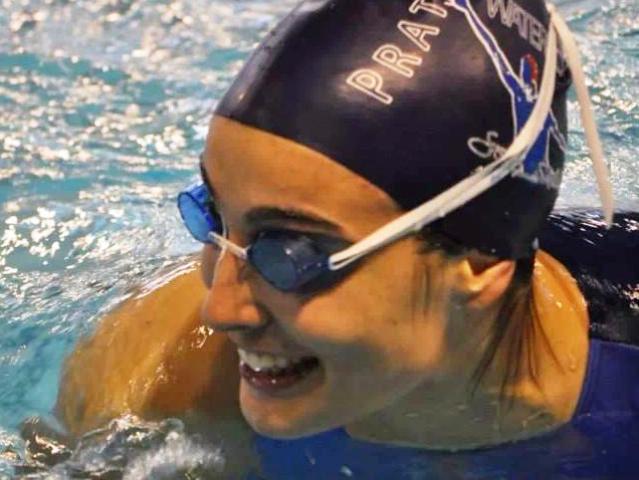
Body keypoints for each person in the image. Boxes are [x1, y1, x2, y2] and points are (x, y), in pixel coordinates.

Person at [55, 0, 639, 477]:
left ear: (480, 264)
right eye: (213, 215)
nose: (221, 307)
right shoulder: (164, 380)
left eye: (293, 253)